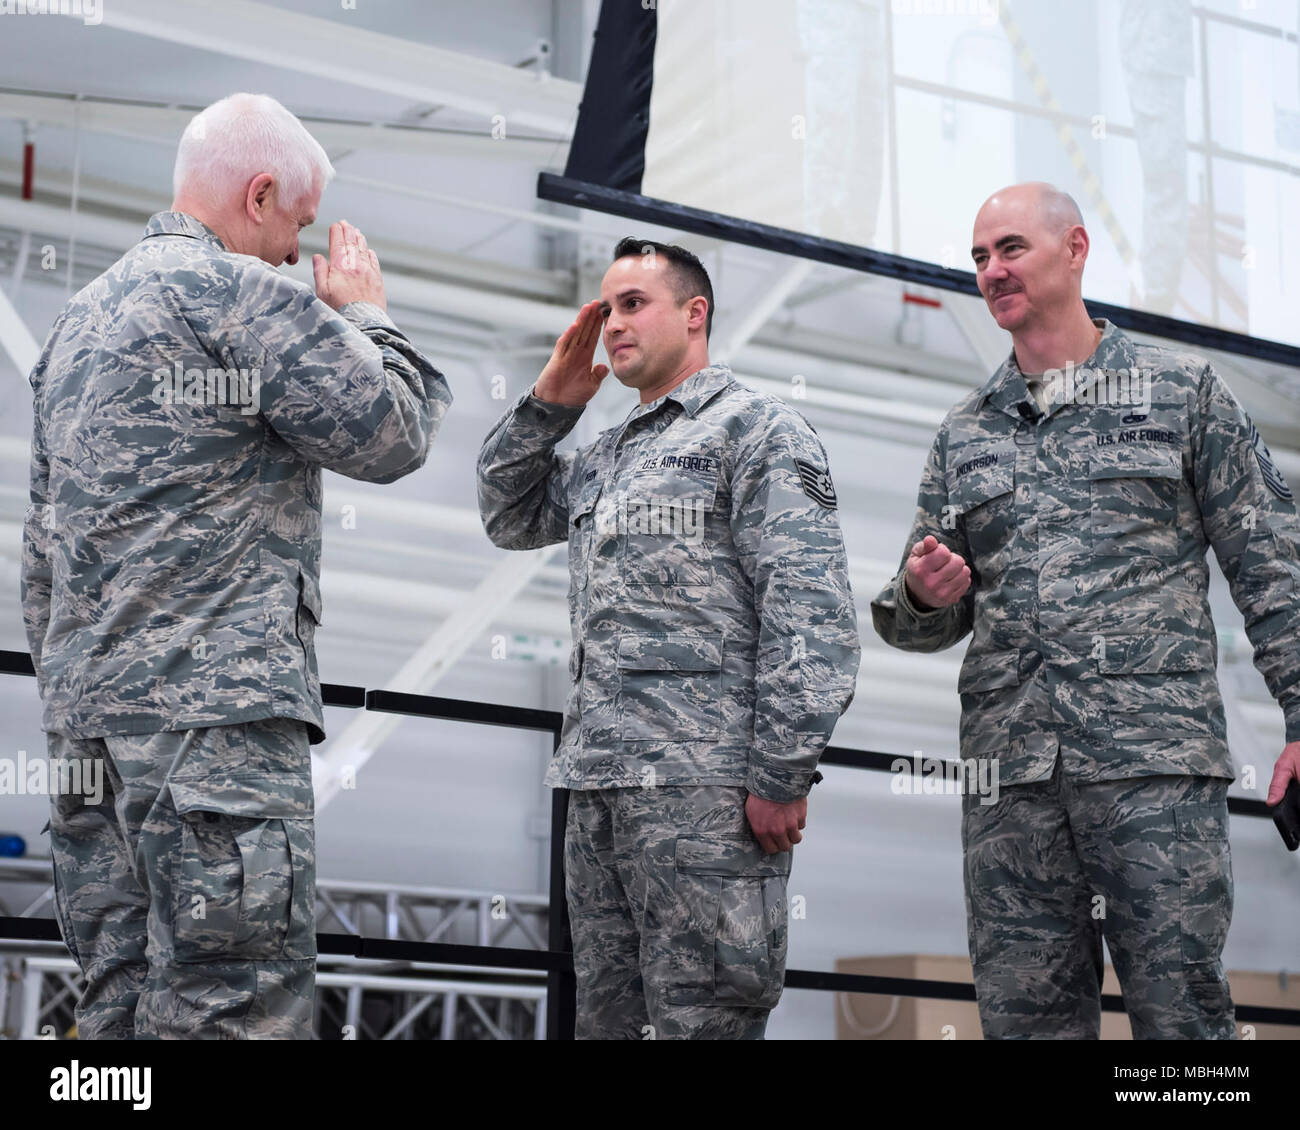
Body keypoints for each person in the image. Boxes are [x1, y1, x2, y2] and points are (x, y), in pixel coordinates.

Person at [20, 92, 451, 1039]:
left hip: (88, 744)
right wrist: (369, 316)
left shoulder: (75, 330)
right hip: (213, 737)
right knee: (234, 1006)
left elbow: (40, 561)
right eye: (296, 224)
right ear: (260, 194)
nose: (298, 254)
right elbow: (393, 430)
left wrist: (77, 701)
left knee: (114, 1008)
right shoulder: (238, 296)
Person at [871, 181, 1300, 1040]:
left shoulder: (1183, 394)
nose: (992, 270)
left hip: (1153, 774)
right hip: (1012, 788)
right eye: (980, 257)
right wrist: (923, 594)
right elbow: (912, 616)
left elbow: (1273, 564)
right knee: (1025, 1026)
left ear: (1076, 250)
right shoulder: (966, 433)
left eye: (1012, 249)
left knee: (1182, 1024)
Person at [477, 237, 860, 1039]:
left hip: (708, 794)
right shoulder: (606, 456)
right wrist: (551, 402)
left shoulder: (755, 431)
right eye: (606, 308)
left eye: (633, 304)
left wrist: (781, 773)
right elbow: (507, 513)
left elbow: (809, 612)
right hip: (600, 791)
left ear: (695, 315)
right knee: (608, 1024)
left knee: (704, 1020)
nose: (613, 324)